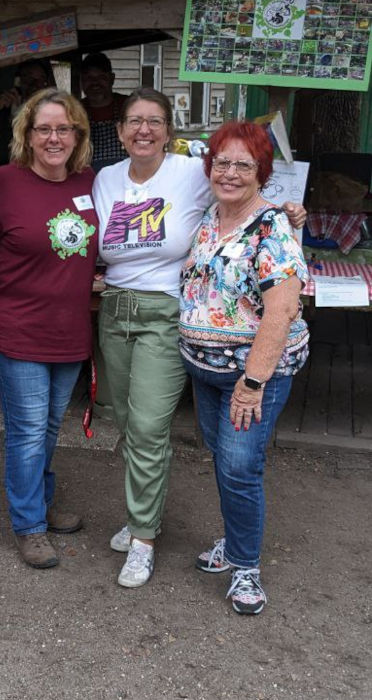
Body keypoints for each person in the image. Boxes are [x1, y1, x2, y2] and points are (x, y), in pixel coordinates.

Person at [92, 87, 306, 590]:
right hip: (125, 313)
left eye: (155, 121)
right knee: (128, 422)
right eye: (133, 121)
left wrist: (290, 214)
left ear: (170, 131)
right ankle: (158, 518)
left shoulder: (193, 174)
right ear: (119, 131)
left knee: (160, 432)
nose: (143, 129)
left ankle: (149, 538)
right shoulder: (109, 180)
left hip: (175, 323)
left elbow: (260, 216)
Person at [179, 121, 309, 614]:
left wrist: (252, 384)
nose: (230, 172)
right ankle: (233, 544)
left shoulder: (271, 226)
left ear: (262, 173)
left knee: (239, 467)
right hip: (205, 370)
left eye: (243, 164)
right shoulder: (213, 217)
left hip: (251, 376)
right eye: (222, 162)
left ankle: (246, 569)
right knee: (223, 457)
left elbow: (281, 310)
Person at [0, 88, 97, 568]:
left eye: (63, 128)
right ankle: (28, 524)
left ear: (77, 136)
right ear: (26, 135)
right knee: (28, 430)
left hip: (70, 332)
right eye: (43, 128)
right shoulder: (3, 183)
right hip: (18, 329)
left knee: (50, 426)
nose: (54, 137)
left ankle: (41, 504)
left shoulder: (90, 182)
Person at [0, 59, 55, 178]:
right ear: (18, 80)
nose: (35, 84)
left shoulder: (51, 111)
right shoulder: (4, 107)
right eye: (29, 77)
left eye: (40, 78)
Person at [80, 52, 127, 172]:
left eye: (101, 77)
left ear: (112, 79)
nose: (95, 83)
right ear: (81, 81)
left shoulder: (127, 105)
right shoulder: (75, 109)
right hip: (88, 178)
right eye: (89, 78)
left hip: (126, 175)